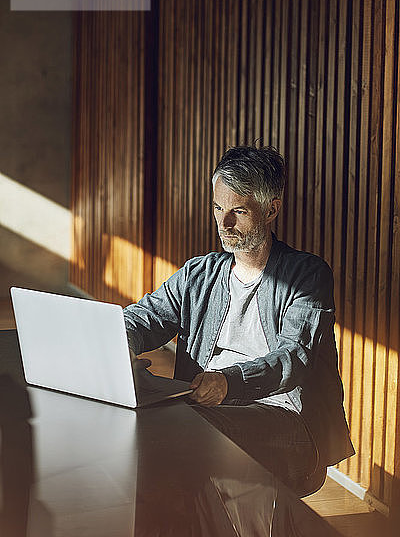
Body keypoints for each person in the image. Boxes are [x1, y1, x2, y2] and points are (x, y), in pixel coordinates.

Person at [124, 145, 354, 496]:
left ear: (271, 209)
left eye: (239, 211)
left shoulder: (306, 274)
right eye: (218, 208)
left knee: (179, 435)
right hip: (204, 406)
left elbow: (295, 358)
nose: (224, 223)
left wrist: (228, 382)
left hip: (284, 417)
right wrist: (120, 342)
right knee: (140, 423)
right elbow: (144, 317)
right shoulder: (199, 274)